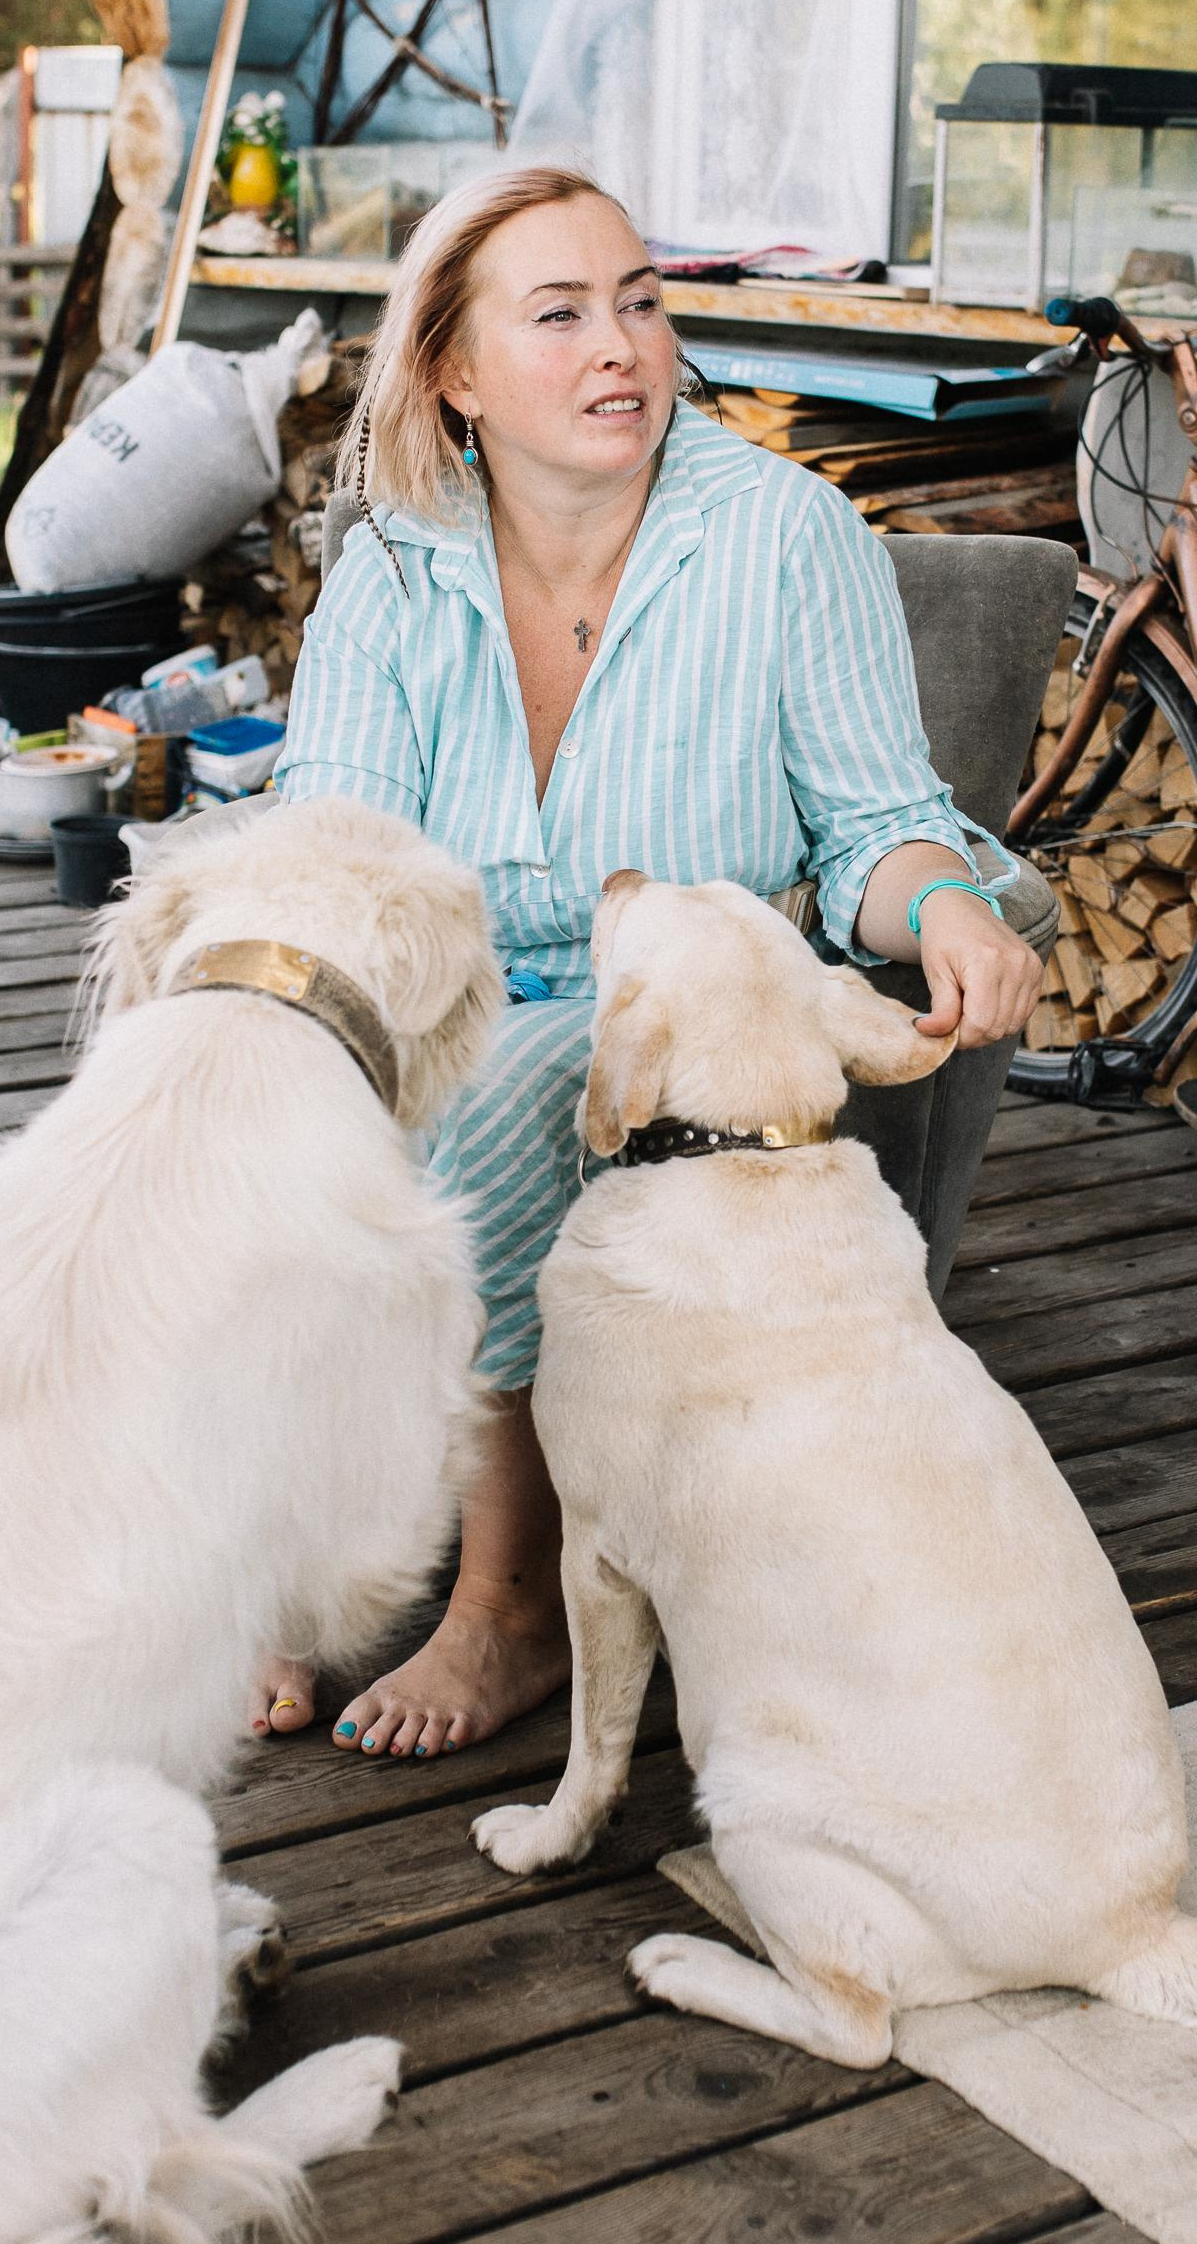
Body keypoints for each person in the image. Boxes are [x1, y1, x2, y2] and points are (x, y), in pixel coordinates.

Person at [257, 164, 1041, 1759]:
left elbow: (877, 822)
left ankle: (510, 1609)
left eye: (640, 302)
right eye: (560, 315)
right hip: (443, 994)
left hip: (672, 1027)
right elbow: (334, 851)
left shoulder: (784, 536)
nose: (620, 344)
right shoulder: (396, 565)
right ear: (458, 374)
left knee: (501, 1102)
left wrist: (947, 906)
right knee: (245, 1108)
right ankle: (277, 1564)